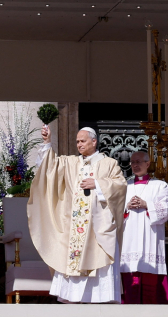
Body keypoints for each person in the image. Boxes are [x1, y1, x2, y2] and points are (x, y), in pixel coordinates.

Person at [28, 125, 126, 304]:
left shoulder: (109, 163)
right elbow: (49, 167)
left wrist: (97, 183)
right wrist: (47, 141)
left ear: (94, 141)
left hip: (98, 227)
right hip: (74, 227)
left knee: (99, 258)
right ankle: (73, 298)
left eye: (82, 141)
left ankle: (99, 299)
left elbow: (120, 187)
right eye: (77, 142)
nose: (79, 145)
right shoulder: (71, 163)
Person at [118, 149, 168, 303]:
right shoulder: (124, 186)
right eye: (133, 162)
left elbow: (167, 208)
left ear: (148, 164)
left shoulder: (160, 185)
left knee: (151, 285)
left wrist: (146, 204)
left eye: (139, 162)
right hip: (129, 240)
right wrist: (126, 206)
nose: (135, 165)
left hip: (150, 239)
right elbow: (114, 210)